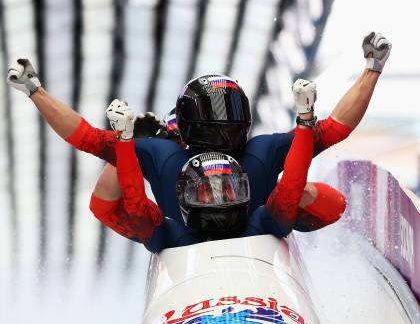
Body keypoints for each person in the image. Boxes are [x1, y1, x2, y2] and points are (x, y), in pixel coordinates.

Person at [6, 31, 391, 227]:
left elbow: (87, 138)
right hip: (188, 247)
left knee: (312, 194)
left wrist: (36, 92)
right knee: (109, 189)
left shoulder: (258, 153)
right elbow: (335, 128)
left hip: (256, 243)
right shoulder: (166, 154)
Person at [85, 79, 345, 252]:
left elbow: (329, 202)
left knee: (304, 195)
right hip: (192, 276)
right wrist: (131, 147)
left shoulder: (259, 186)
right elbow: (105, 205)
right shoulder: (166, 227)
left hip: (260, 262)